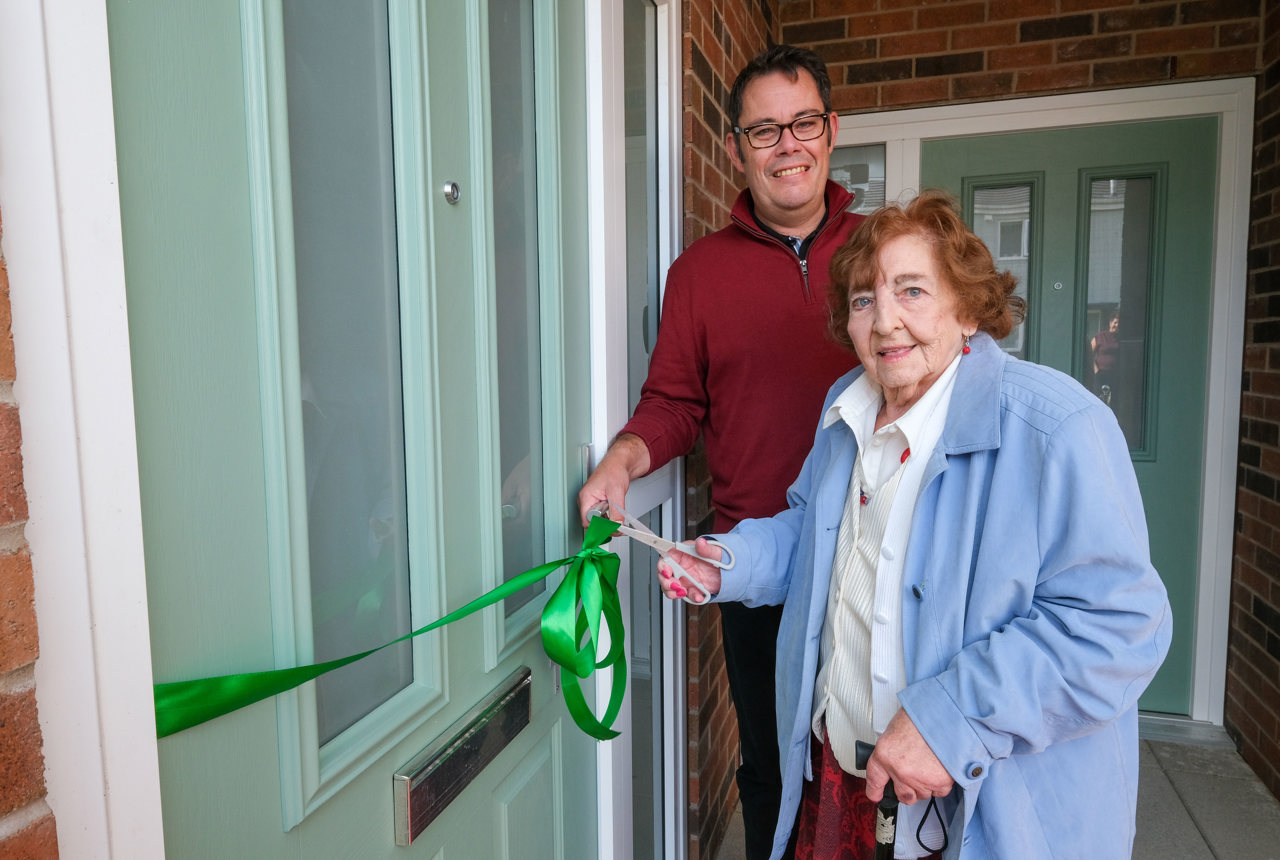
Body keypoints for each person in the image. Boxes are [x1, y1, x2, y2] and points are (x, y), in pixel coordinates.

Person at [658, 191, 1172, 859]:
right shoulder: (844, 414)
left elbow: (1119, 627)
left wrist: (950, 720)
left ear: (967, 309)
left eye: (912, 291)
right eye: (865, 300)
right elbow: (810, 533)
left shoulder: (1057, 428)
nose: (886, 320)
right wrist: (725, 561)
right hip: (845, 777)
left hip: (983, 809)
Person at [577, 45, 865, 860]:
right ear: (736, 148)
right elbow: (673, 402)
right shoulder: (699, 273)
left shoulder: (882, 252)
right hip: (756, 568)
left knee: (878, 771)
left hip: (880, 561)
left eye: (803, 122)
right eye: (764, 130)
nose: (788, 145)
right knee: (774, 768)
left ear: (832, 130)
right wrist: (622, 462)